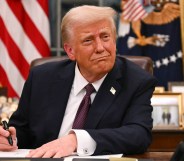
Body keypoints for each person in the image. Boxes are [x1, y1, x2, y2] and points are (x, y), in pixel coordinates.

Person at [0, 5, 157, 158]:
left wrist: (77, 140)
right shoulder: (42, 78)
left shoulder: (136, 81)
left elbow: (139, 135)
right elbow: (21, 130)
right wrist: (10, 139)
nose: (100, 48)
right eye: (88, 40)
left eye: (105, 37)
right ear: (70, 51)